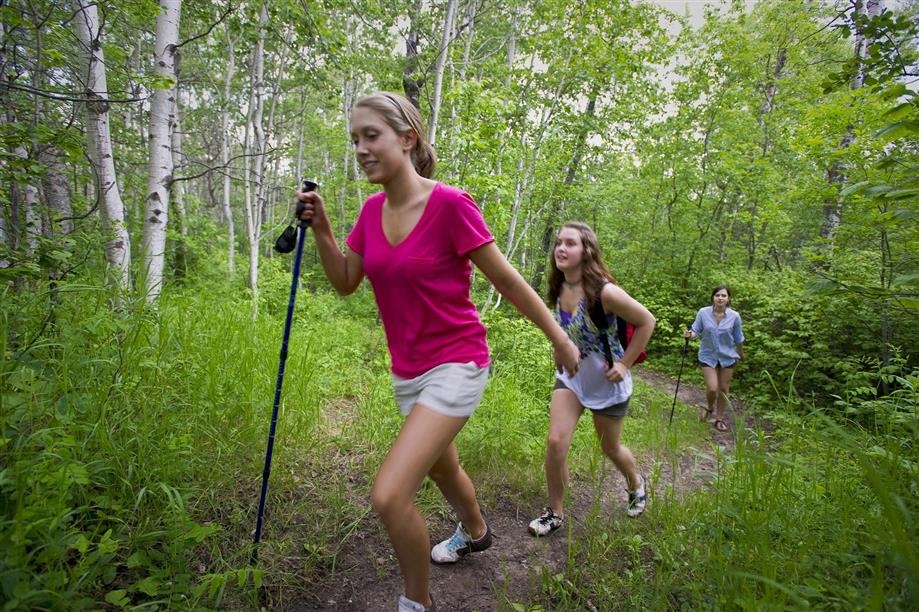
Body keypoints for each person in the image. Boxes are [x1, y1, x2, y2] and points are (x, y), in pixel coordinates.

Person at [295, 92, 581, 612]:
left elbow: (507, 280)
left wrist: (558, 336)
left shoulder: (449, 203)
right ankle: (477, 529)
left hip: (458, 361)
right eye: (354, 139)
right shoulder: (371, 210)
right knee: (442, 468)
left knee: (389, 495)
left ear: (407, 139)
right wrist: (324, 231)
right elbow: (344, 280)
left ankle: (417, 602)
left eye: (371, 136)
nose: (360, 148)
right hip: (408, 371)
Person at [528, 221, 656, 538]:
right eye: (558, 242)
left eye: (570, 243)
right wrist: (559, 348)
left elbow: (646, 322)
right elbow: (563, 327)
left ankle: (636, 483)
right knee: (556, 442)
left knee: (609, 447)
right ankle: (555, 512)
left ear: (587, 250)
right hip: (572, 377)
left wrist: (625, 364)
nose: (561, 248)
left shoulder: (605, 292)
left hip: (608, 382)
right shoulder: (559, 287)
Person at [683, 284, 745, 433]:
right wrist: (690, 335)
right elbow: (696, 330)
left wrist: (741, 353)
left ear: (728, 299)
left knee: (723, 388)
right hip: (708, 355)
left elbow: (738, 338)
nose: (720, 298)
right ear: (713, 297)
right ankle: (710, 408)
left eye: (724, 295)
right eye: (717, 295)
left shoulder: (734, 316)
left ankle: (719, 418)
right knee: (712, 388)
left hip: (728, 355)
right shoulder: (703, 313)